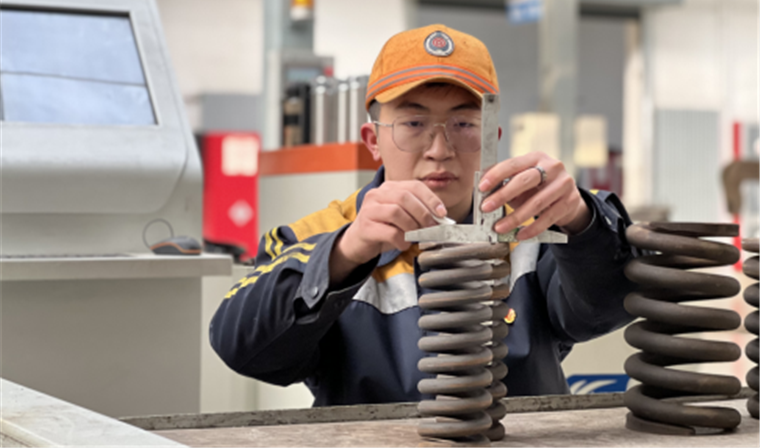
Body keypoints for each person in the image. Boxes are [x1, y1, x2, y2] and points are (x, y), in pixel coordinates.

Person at [210, 24, 639, 407]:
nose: (439, 149)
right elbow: (241, 347)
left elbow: (606, 307)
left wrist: (584, 223)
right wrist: (345, 254)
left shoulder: (532, 227)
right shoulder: (322, 237)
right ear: (373, 141)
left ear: (492, 138)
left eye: (463, 124)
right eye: (414, 123)